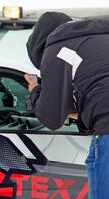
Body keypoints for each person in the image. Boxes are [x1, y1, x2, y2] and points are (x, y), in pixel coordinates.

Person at [24, 12, 109, 199]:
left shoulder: (57, 47)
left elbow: (50, 118)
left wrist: (36, 91)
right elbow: (99, 91)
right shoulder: (99, 39)